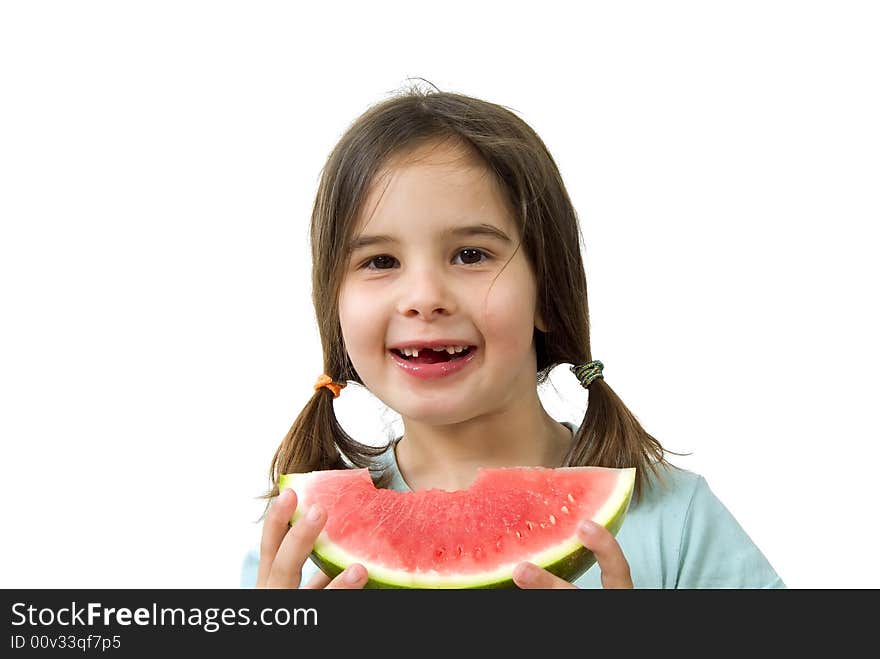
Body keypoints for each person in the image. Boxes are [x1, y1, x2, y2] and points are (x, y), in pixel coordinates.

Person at [241, 83, 784, 589]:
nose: (424, 296)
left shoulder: (675, 521)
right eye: (380, 260)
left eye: (471, 255)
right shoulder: (296, 538)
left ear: (547, 294)